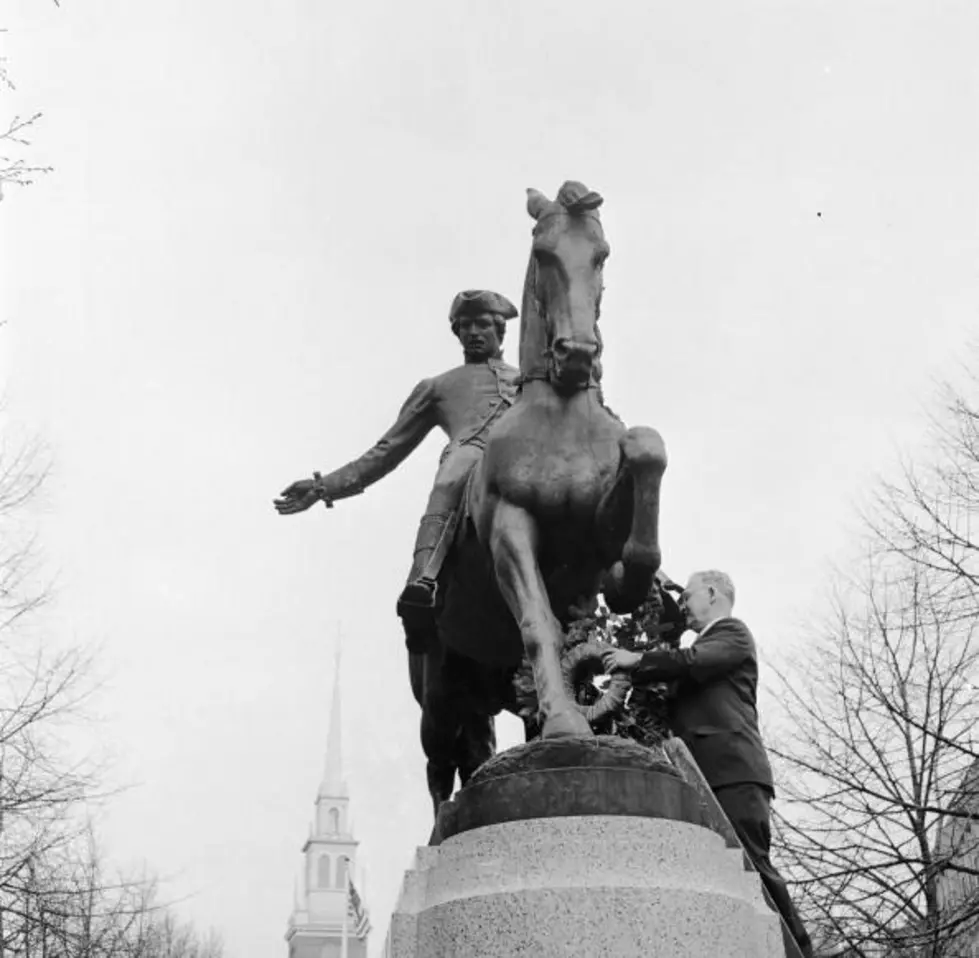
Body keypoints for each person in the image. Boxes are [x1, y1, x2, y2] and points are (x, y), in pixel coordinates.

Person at [274, 289, 520, 653]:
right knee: (457, 466)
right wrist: (324, 486)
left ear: (500, 329)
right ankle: (424, 577)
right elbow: (387, 450)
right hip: (471, 457)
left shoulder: (529, 380)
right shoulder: (438, 387)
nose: (473, 332)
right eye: (464, 325)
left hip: (521, 462)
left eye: (482, 323)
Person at [603, 569, 814, 958]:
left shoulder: (731, 633)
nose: (683, 605)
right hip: (703, 776)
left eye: (689, 597)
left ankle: (798, 951)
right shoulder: (696, 653)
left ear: (713, 593)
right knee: (728, 877)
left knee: (755, 868)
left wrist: (637, 659)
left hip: (732, 771)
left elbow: (690, 660)